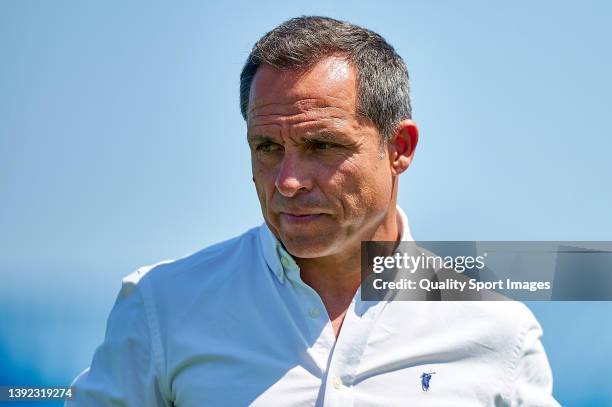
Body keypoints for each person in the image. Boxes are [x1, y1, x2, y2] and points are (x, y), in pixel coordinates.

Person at [67, 16, 559, 406]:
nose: (287, 180)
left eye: (321, 145)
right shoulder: (163, 305)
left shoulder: (498, 330)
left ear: (400, 147)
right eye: (266, 147)